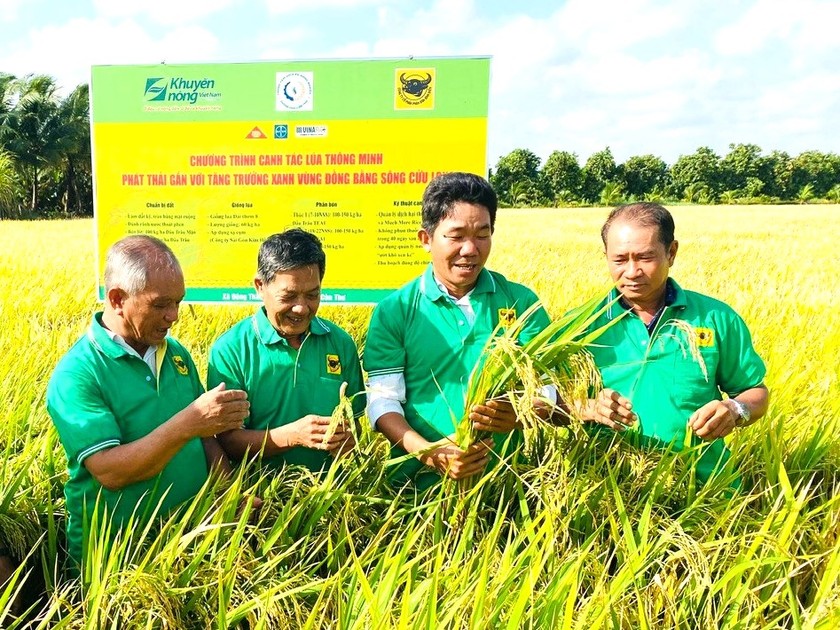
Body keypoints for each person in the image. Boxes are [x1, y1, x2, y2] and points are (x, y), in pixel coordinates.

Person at [46, 235, 250, 568]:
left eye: (179, 303)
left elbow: (205, 438)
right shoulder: (78, 374)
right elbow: (111, 472)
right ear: (117, 299)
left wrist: (230, 494)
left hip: (189, 543)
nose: (174, 316)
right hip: (114, 559)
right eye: (160, 304)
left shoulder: (175, 354)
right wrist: (188, 422)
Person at [364, 172, 552, 490]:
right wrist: (428, 453)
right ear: (426, 239)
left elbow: (551, 385)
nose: (470, 249)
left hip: (507, 485)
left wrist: (523, 412)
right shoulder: (395, 310)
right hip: (415, 487)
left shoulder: (521, 302)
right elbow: (383, 402)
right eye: (456, 236)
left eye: (482, 234)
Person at [578, 202, 769, 481]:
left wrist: (734, 409)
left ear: (671, 252)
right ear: (605, 256)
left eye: (645, 257)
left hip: (702, 488)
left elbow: (756, 392)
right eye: (619, 260)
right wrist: (588, 407)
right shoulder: (583, 325)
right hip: (606, 487)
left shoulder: (716, 318)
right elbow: (548, 401)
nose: (632, 271)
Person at [207, 229, 363, 472]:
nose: (301, 308)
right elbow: (227, 441)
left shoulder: (340, 343)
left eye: (313, 295)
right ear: (260, 286)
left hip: (330, 494)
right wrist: (292, 436)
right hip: (259, 496)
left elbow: (355, 421)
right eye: (289, 296)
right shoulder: (231, 350)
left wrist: (347, 440)